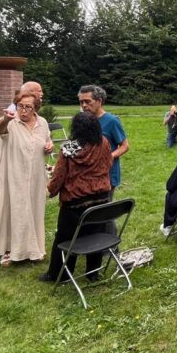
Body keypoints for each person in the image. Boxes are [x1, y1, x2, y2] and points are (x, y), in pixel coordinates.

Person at [38, 111, 112, 283]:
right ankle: (93, 272)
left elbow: (59, 176)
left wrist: (50, 190)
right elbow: (108, 164)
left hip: (75, 204)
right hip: (101, 199)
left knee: (64, 238)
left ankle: (58, 274)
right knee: (95, 234)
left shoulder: (67, 149)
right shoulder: (104, 143)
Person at [0, 90, 52, 266]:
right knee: (13, 211)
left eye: (28, 107)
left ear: (35, 107)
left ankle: (32, 249)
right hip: (14, 175)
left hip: (36, 175)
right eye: (20, 106)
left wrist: (49, 146)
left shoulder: (42, 123)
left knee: (34, 210)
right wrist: (5, 119)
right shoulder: (11, 123)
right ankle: (8, 250)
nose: (23, 110)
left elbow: (46, 140)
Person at [78, 85, 128, 192]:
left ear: (99, 101)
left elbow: (125, 146)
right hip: (86, 174)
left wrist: (109, 156)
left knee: (103, 208)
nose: (84, 105)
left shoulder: (112, 121)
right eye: (81, 102)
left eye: (87, 101)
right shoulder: (83, 120)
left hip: (107, 175)